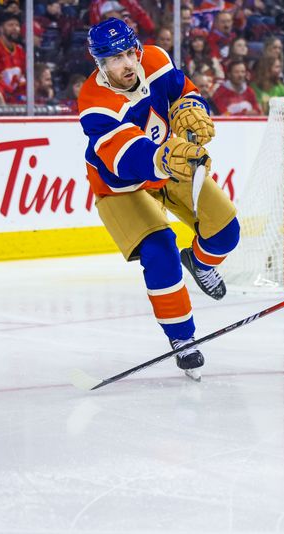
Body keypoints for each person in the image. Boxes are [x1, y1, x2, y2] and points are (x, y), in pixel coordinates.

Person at [77, 18, 239, 379]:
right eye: (112, 60)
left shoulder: (156, 59)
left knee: (226, 229)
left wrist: (190, 106)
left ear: (137, 49)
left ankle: (201, 263)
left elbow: (183, 89)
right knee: (160, 250)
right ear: (99, 65)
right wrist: (164, 158)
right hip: (123, 184)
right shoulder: (95, 103)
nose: (125, 65)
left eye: (127, 54)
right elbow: (126, 157)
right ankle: (183, 338)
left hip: (171, 160)